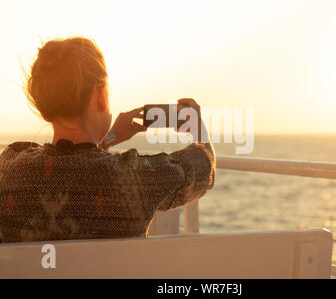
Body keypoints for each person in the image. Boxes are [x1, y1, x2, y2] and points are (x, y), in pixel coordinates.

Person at [0, 37, 215, 243]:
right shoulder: (132, 177)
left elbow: (67, 165)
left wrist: (107, 141)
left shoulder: (8, 169)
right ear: (101, 96)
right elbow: (203, 168)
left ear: (44, 106)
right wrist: (196, 125)